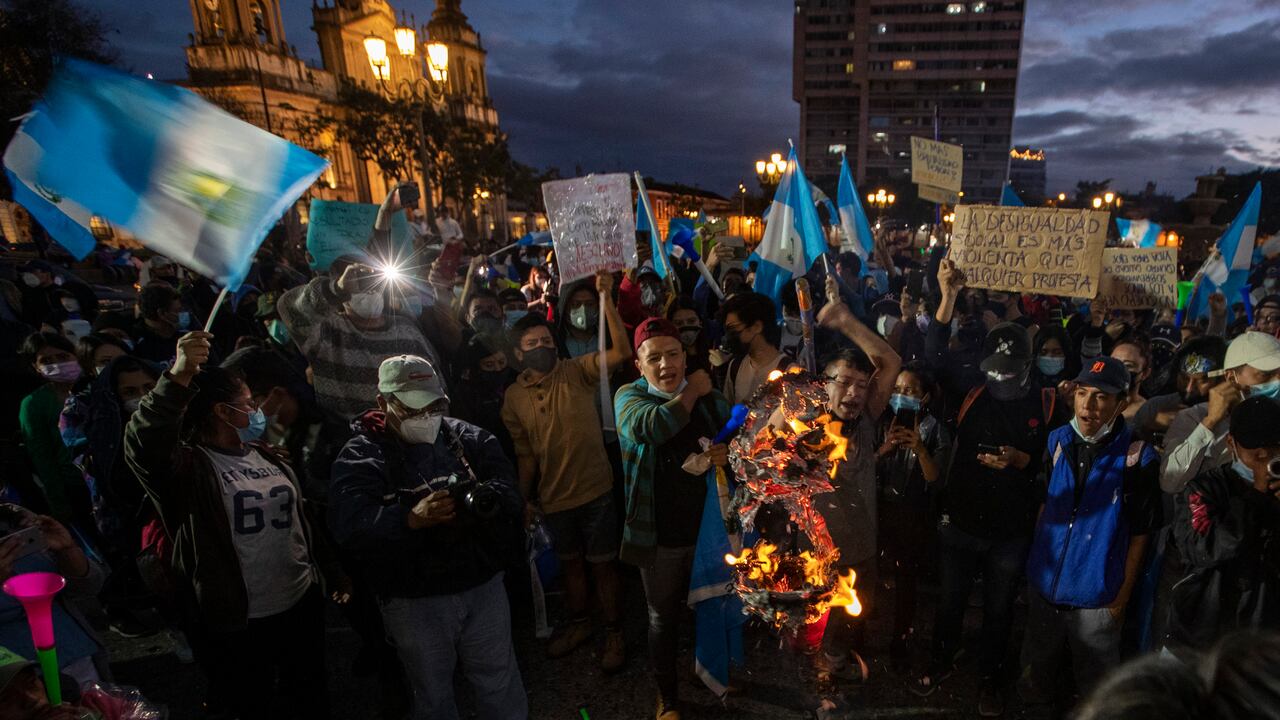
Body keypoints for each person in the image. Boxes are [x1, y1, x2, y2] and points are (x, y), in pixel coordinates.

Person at [124, 331, 330, 720]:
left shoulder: (265, 453)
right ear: (222, 411)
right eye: (249, 403)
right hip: (238, 619)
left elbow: (299, 520)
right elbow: (143, 442)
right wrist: (179, 376)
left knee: (308, 695)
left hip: (298, 603)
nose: (257, 411)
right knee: (249, 702)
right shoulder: (188, 469)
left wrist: (328, 574)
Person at [329, 355, 526, 720]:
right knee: (432, 693)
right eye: (414, 408)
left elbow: (510, 491)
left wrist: (482, 499)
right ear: (383, 402)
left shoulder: (467, 438)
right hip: (414, 600)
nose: (426, 416)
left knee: (498, 679)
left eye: (434, 406)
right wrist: (409, 519)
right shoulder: (361, 456)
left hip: (481, 584)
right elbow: (350, 526)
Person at [913, 267, 1066, 716]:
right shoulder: (972, 390)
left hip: (1009, 532)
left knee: (999, 609)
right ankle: (941, 660)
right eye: (993, 371)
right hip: (960, 521)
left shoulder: (1048, 404)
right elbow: (932, 357)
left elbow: (1057, 466)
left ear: (1027, 367)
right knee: (950, 601)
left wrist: (1022, 461)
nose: (1000, 379)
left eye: (1009, 373)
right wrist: (947, 297)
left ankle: (990, 680)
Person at [501, 270, 631, 671]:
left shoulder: (576, 370)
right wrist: (523, 500)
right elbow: (526, 455)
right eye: (532, 344)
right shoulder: (513, 398)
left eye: (546, 341)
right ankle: (580, 625)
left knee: (603, 565)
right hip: (555, 499)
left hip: (596, 491)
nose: (542, 347)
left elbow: (621, 352)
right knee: (571, 566)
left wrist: (608, 301)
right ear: (518, 354)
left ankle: (614, 632)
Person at [1019, 356, 1160, 708]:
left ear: (1121, 404)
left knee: (1097, 689)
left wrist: (1120, 599)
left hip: (1097, 600)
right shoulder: (1057, 441)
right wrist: (1035, 567)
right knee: (1036, 675)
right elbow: (1044, 507)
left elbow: (1140, 534)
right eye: (1082, 393)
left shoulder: (1137, 458)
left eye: (1101, 397)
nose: (1088, 405)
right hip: (1045, 590)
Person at [615, 317, 730, 720]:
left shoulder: (712, 401)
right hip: (658, 536)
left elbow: (735, 441)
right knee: (662, 617)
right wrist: (693, 390)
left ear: (685, 356)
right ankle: (667, 697)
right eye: (654, 358)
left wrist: (726, 455)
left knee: (710, 606)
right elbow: (650, 427)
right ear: (639, 365)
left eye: (673, 354)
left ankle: (708, 672)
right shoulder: (629, 397)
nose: (666, 365)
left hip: (707, 532)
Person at [810, 275, 902, 684]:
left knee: (850, 617)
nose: (853, 393)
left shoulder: (865, 418)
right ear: (824, 384)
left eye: (862, 385)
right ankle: (811, 678)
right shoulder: (804, 419)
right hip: (816, 550)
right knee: (810, 624)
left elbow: (890, 362)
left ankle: (833, 665)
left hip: (861, 544)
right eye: (844, 382)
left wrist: (845, 320)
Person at [1164, 396, 1280, 652]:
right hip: (1200, 634)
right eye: (1253, 448)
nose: (1263, 455)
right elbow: (1203, 548)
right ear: (1231, 443)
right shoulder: (1205, 488)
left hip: (1264, 638)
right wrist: (1256, 498)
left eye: (1273, 447)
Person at [277, 256, 444, 424]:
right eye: (360, 283)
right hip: (351, 433)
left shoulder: (406, 328)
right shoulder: (327, 333)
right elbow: (288, 306)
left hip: (414, 430)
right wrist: (336, 289)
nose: (370, 290)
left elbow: (435, 381)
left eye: (373, 280)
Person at [876, 363, 950, 671]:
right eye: (897, 389)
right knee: (874, 573)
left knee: (906, 579)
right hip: (881, 509)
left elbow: (936, 480)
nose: (901, 395)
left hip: (913, 515)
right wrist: (884, 449)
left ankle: (901, 639)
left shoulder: (937, 430)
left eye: (910, 390)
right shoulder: (882, 422)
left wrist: (920, 449)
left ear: (925, 397)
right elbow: (868, 465)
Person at [0, 504, 108, 688]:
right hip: (20, 685)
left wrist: (67, 549)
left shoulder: (12, 517)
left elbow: (89, 586)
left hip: (77, 656)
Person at [1161, 331, 1280, 495]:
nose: (1277, 381)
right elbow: (1170, 483)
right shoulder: (1194, 418)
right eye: (1266, 375)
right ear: (1231, 378)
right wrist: (1210, 422)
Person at [17, 333, 86, 524]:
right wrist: (59, 504)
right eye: (46, 361)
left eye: (63, 356)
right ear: (35, 366)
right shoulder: (34, 404)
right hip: (75, 485)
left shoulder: (95, 387)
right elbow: (42, 457)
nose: (57, 364)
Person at [719, 291, 791, 404]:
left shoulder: (789, 372)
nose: (729, 336)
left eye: (733, 328)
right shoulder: (735, 367)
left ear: (757, 327)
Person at [130, 283, 187, 365]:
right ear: (162, 313)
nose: (182, 314)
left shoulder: (184, 336)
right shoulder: (140, 349)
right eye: (177, 311)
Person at [1112, 339, 1152, 423]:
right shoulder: (1091, 398)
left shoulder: (1148, 412)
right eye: (1113, 362)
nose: (1119, 369)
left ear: (1145, 373)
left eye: (1128, 365)